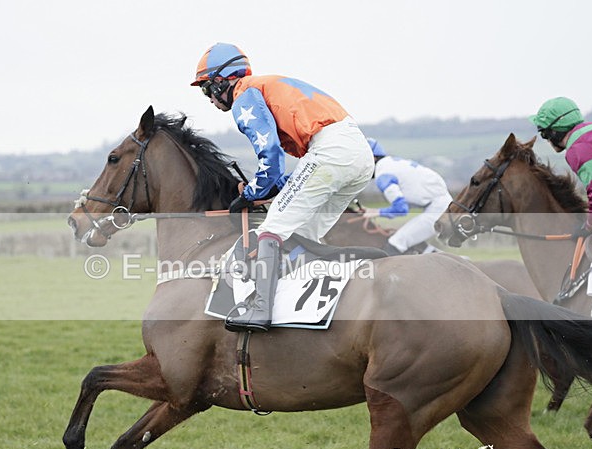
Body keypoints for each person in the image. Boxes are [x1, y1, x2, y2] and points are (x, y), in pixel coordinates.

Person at [191, 42, 374, 332]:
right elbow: (292, 175)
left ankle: (260, 310)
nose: (209, 100)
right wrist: (272, 188)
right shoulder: (265, 87)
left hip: (330, 151)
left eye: (205, 90)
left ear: (221, 82)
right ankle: (302, 310)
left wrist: (251, 193)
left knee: (271, 229)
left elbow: (271, 157)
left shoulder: (244, 96)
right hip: (359, 156)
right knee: (303, 235)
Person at [531, 96, 592, 319]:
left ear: (554, 132)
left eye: (544, 134)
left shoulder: (577, 147)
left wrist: (589, 226)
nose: (546, 140)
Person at [360, 138, 453, 255]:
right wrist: (374, 211)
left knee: (395, 244)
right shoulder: (389, 163)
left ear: (372, 158)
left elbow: (401, 209)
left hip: (438, 210)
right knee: (410, 241)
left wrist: (377, 212)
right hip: (441, 205)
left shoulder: (382, 175)